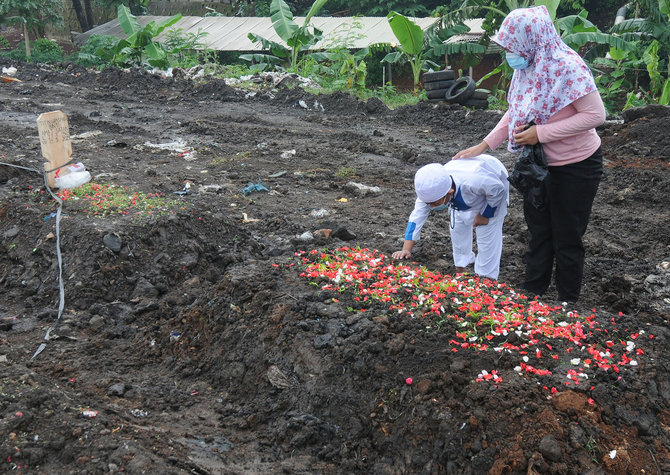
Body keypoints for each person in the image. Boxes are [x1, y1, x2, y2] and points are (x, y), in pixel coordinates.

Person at [453, 5, 606, 302]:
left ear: (532, 39)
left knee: (567, 237)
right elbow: (516, 111)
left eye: (513, 45)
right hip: (537, 165)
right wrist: (484, 145)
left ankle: (567, 302)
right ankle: (532, 295)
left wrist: (542, 134)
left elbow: (595, 115)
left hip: (576, 166)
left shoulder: (568, 67)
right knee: (539, 233)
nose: (510, 52)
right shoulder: (527, 67)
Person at [392, 154, 509, 280]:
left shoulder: (474, 181)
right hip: (463, 193)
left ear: (449, 193)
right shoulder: (431, 188)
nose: (431, 207)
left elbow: (498, 190)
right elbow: (416, 217)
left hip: (492, 186)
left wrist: (485, 215)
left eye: (435, 203)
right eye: (428, 203)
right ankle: (461, 270)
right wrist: (406, 249)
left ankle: (486, 279)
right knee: (457, 228)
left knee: (487, 237)